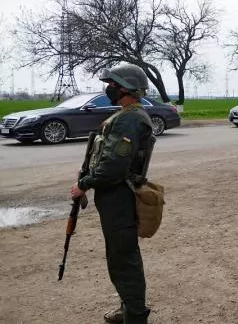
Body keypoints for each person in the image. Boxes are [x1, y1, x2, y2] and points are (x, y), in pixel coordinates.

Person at [70, 63, 155, 324]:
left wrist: (84, 183)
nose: (108, 88)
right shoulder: (127, 114)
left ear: (125, 89)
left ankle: (135, 316)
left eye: (113, 85)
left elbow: (113, 167)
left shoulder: (130, 118)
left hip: (120, 197)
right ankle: (127, 308)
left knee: (123, 259)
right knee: (121, 255)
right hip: (116, 197)